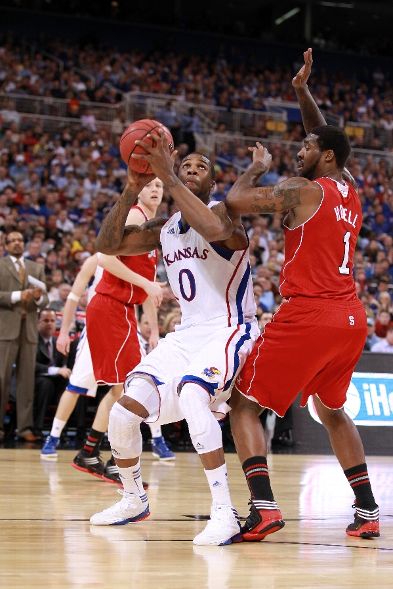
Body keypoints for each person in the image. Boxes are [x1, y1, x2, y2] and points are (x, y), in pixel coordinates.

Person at [225, 48, 379, 541]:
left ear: (324, 157)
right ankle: (369, 511)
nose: (299, 150)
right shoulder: (348, 189)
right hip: (352, 318)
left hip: (310, 314)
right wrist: (301, 92)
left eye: (306, 146)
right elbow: (330, 139)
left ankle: (265, 507)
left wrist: (254, 169)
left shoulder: (300, 190)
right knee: (332, 411)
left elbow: (235, 203)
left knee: (243, 405)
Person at [90, 144, 259, 546]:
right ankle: (133, 497)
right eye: (185, 165)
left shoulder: (224, 211)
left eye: (201, 167)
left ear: (214, 182)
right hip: (187, 333)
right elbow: (109, 244)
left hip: (229, 327)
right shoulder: (165, 228)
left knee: (193, 394)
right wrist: (132, 187)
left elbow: (216, 232)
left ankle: (224, 512)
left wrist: (166, 175)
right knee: (124, 412)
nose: (190, 169)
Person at [41, 179, 165, 479]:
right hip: (110, 307)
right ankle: (110, 457)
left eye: (160, 185)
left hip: (123, 311)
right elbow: (106, 257)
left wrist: (154, 329)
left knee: (122, 389)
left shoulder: (150, 224)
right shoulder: (135, 216)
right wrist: (147, 284)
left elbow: (146, 287)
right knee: (127, 389)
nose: (156, 189)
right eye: (149, 184)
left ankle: (91, 452)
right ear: (138, 190)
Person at [0, 231, 49, 442]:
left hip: (28, 330)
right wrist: (20, 295)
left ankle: (24, 428)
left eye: (21, 240)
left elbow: (45, 300)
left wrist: (38, 299)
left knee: (26, 382)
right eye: (13, 241)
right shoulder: (1, 266)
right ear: (6, 244)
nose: (17, 243)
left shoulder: (36, 267)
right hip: (5, 330)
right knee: (1, 380)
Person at [137, 312, 175, 460]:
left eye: (150, 323)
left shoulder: (161, 343)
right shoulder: (134, 340)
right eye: (145, 323)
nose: (148, 327)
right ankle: (158, 441)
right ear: (139, 324)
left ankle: (158, 441)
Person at [34, 308, 72, 435]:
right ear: (38, 322)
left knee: (68, 384)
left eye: (52, 320)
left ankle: (62, 428)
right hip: (36, 379)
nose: (49, 323)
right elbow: (31, 365)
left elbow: (64, 364)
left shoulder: (57, 342)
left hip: (55, 380)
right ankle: (38, 427)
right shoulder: (32, 341)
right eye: (45, 320)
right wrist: (55, 370)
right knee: (46, 384)